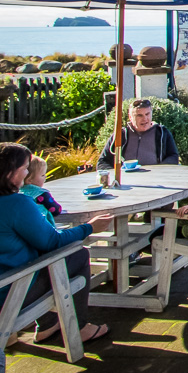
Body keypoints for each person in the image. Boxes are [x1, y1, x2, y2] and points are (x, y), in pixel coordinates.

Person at [0, 143, 113, 346]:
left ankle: (47, 324)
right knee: (77, 255)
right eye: (24, 168)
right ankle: (79, 328)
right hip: (11, 295)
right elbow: (52, 241)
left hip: (6, 284)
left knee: (36, 258)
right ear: (10, 172)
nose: (27, 173)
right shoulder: (16, 204)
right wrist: (89, 228)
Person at [97, 98, 179, 170]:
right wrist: (115, 175)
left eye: (147, 114)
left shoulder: (162, 133)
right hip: (127, 181)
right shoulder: (121, 134)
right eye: (139, 115)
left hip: (155, 179)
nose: (145, 119)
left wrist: (159, 170)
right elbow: (102, 162)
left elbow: (173, 157)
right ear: (130, 117)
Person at [20, 155, 61, 228]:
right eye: (42, 175)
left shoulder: (16, 191)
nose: (45, 177)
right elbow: (55, 210)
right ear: (29, 180)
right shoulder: (41, 194)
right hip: (43, 229)